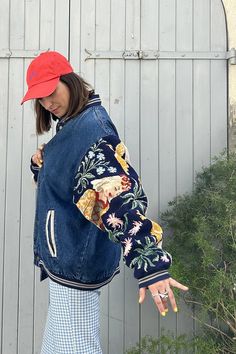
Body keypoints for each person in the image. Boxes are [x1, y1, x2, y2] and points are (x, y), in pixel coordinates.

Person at [21, 51, 188, 354]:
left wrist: (148, 262)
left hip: (76, 265)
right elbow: (69, 181)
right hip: (66, 261)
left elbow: (118, 199)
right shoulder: (73, 125)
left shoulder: (92, 132)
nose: (47, 103)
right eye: (40, 99)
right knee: (56, 346)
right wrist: (41, 163)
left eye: (50, 92)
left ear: (69, 80)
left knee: (75, 348)